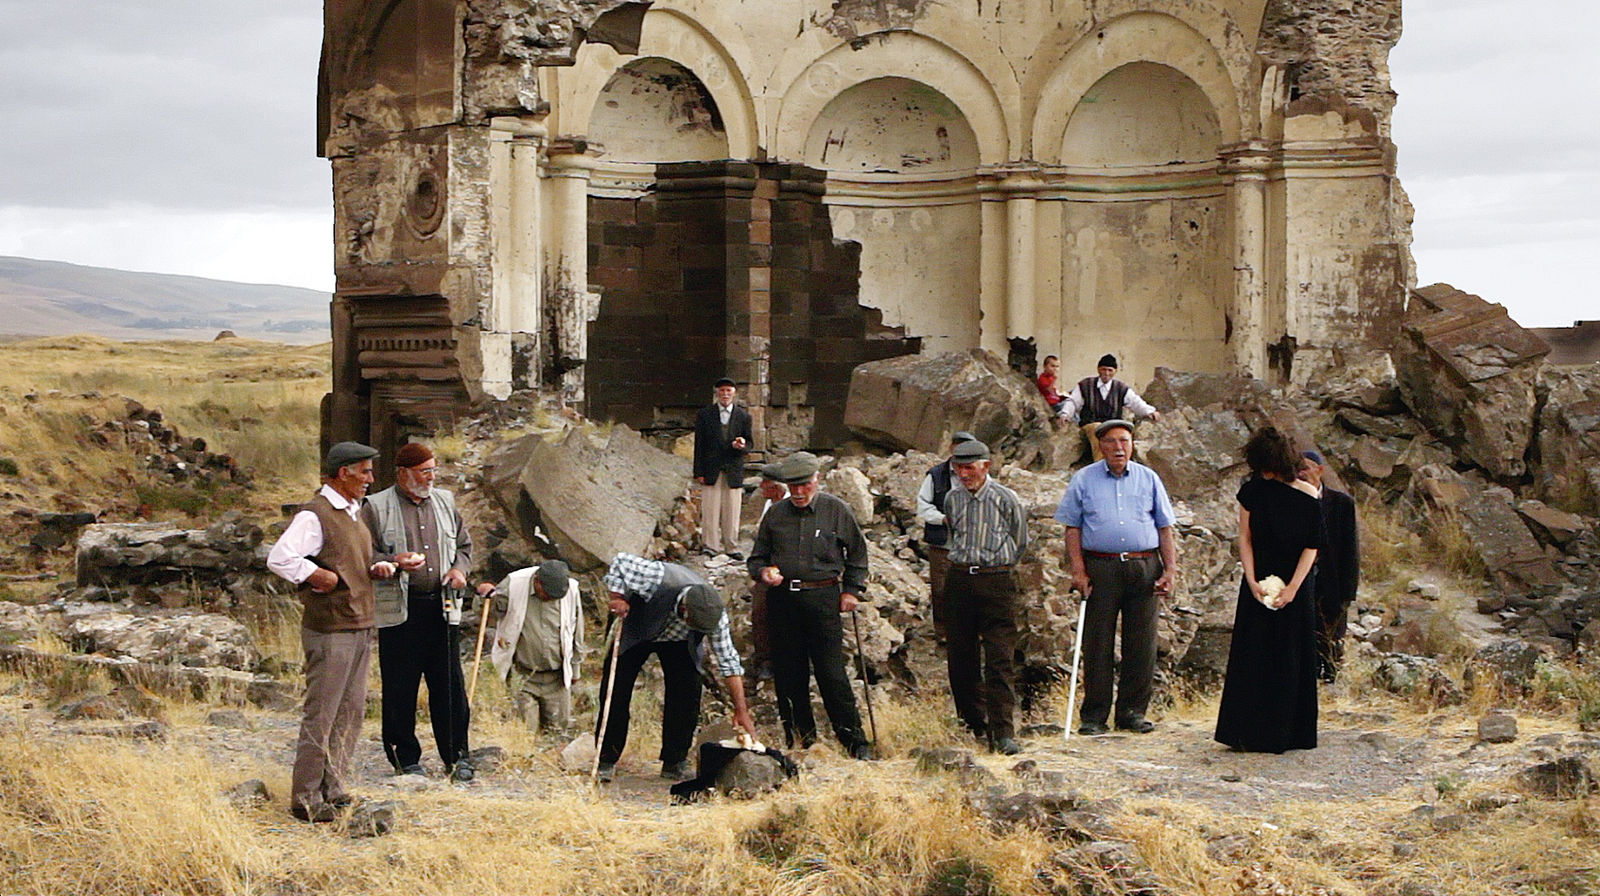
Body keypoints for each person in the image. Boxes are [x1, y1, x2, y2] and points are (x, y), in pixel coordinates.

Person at [266, 441, 395, 822]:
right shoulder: (315, 515)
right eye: (365, 472)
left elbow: (353, 561)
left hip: (358, 623)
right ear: (344, 474)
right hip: (331, 628)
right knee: (322, 714)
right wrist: (315, 574)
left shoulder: (354, 512)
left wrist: (380, 567)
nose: (371, 479)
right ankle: (305, 798)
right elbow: (280, 558)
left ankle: (333, 787)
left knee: (350, 712)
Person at [747, 451, 873, 759]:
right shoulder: (775, 514)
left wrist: (851, 591)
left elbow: (857, 555)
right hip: (783, 601)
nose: (799, 492)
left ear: (816, 480)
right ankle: (800, 740)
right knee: (789, 674)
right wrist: (763, 572)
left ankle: (855, 743)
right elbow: (757, 558)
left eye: (804, 485)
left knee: (832, 674)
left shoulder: (836, 510)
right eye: (793, 486)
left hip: (824, 599)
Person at [1055, 420, 1177, 735]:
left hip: (1144, 566)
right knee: (1097, 642)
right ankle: (1094, 716)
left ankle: (1132, 714)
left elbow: (1164, 527)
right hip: (1101, 567)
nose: (1118, 447)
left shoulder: (1149, 479)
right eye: (1110, 441)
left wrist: (1171, 570)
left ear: (1132, 444)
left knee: (1142, 643)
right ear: (1101, 446)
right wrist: (1078, 570)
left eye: (1124, 440)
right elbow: (1072, 528)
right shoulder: (1083, 479)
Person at [362, 442, 476, 781]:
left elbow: (464, 546)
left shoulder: (445, 501)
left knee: (449, 685)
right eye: (424, 472)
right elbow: (364, 553)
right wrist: (391, 562)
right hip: (400, 610)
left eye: (433, 470)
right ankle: (405, 759)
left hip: (441, 607)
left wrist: (459, 572)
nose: (431, 478)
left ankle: (458, 757)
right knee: (400, 686)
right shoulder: (376, 506)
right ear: (403, 474)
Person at [595, 552, 756, 782]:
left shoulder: (714, 614)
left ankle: (674, 761)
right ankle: (606, 759)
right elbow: (620, 561)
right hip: (637, 627)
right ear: (684, 611)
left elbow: (728, 662)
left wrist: (741, 710)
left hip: (679, 641)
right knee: (616, 692)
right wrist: (617, 596)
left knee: (688, 692)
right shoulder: (656, 577)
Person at [1214, 426, 1324, 754]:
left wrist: (1293, 587)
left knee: (1290, 655)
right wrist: (1250, 578)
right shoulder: (1251, 491)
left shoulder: (1307, 494)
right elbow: (1244, 538)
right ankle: (1245, 732)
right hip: (1259, 582)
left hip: (1295, 584)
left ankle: (1289, 732)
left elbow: (1312, 545)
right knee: (1253, 654)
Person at [941, 439, 1030, 755]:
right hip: (960, 578)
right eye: (958, 468)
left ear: (986, 466)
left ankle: (1003, 731)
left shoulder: (1007, 499)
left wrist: (997, 565)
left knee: (999, 657)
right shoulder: (952, 499)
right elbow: (954, 536)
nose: (964, 474)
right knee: (960, 658)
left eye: (969, 467)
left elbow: (1020, 541)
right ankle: (972, 725)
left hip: (996, 581)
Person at [481, 560, 583, 736]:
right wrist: (484, 595)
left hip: (557, 679)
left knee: (557, 735)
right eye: (548, 594)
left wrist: (575, 669)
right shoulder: (514, 584)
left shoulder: (572, 590)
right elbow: (490, 611)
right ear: (537, 581)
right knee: (525, 734)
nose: (551, 598)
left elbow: (577, 632)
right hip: (523, 677)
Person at [1298, 449, 1360, 683]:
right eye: (1297, 469)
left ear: (1320, 470)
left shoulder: (1341, 503)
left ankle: (1332, 680)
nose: (1301, 474)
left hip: (1332, 579)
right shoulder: (1294, 501)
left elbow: (1350, 549)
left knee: (1333, 636)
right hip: (1301, 581)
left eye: (1305, 468)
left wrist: (1349, 591)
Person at [915, 430, 978, 643]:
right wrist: (943, 519)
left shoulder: (980, 473)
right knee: (941, 588)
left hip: (972, 542)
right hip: (943, 542)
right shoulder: (935, 475)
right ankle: (943, 631)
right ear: (951, 448)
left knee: (971, 587)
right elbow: (923, 506)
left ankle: (969, 629)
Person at [1057, 354, 1162, 461]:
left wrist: (1150, 411)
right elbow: (1073, 401)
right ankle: (1101, 464)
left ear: (1115, 371)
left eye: (1110, 370)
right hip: (1091, 424)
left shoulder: (1121, 388)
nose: (1106, 373)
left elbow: (1135, 402)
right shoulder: (1085, 385)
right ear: (1098, 369)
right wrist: (1066, 413)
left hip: (1113, 425)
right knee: (1097, 432)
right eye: (1103, 369)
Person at [693, 377, 753, 558]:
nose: (725, 394)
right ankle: (710, 545)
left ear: (734, 393)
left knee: (732, 510)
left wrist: (742, 445)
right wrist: (698, 471)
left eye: (728, 391)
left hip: (733, 467)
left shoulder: (744, 416)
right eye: (722, 391)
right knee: (710, 508)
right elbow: (699, 445)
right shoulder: (705, 415)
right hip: (711, 467)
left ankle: (731, 546)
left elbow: (750, 442)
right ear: (717, 393)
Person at [746, 462, 789, 679]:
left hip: (793, 567)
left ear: (777, 488)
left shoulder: (788, 504)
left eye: (765, 483)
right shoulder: (769, 506)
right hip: (771, 566)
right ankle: (766, 658)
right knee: (760, 608)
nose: (761, 486)